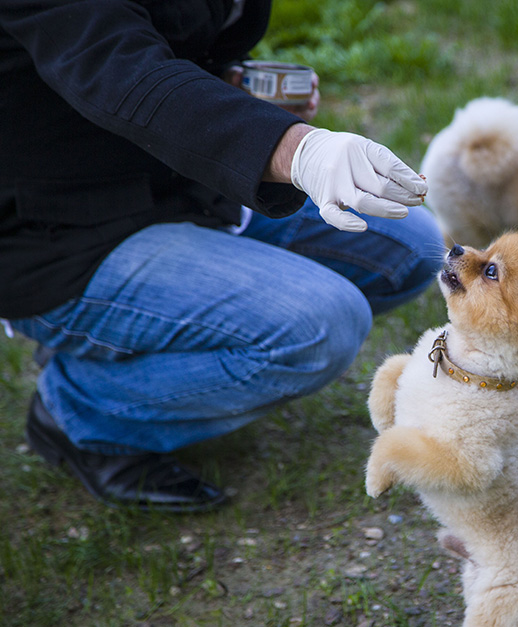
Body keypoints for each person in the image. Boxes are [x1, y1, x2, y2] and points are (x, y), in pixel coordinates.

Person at [0, 1, 443, 513]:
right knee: (320, 327)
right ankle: (79, 408)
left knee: (410, 248)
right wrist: (294, 149)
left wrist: (231, 90)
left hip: (182, 182)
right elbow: (119, 71)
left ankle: (139, 345)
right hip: (60, 231)